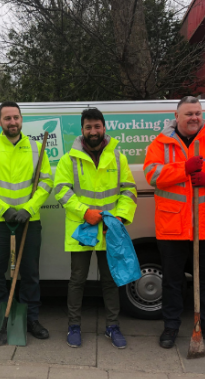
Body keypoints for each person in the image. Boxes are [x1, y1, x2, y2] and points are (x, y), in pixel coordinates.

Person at [143, 96, 205, 351]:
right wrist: (184, 168)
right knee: (172, 281)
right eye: (188, 114)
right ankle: (171, 326)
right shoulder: (161, 144)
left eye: (197, 113)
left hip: (204, 226)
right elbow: (152, 175)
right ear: (177, 117)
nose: (194, 117)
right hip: (172, 226)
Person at [54, 108, 137, 348]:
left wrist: (120, 217)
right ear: (82, 130)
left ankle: (112, 326)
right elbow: (61, 190)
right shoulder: (68, 159)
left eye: (97, 126)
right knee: (77, 280)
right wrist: (84, 212)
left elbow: (129, 190)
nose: (93, 131)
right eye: (88, 127)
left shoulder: (118, 158)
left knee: (111, 280)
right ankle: (74, 326)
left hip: (110, 229)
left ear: (104, 128)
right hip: (82, 227)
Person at [0, 101, 53, 341]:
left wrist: (28, 209)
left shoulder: (37, 147)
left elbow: (46, 182)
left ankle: (31, 319)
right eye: (7, 118)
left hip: (29, 221)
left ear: (21, 119)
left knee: (30, 273)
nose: (12, 122)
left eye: (16, 117)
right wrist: (3, 210)